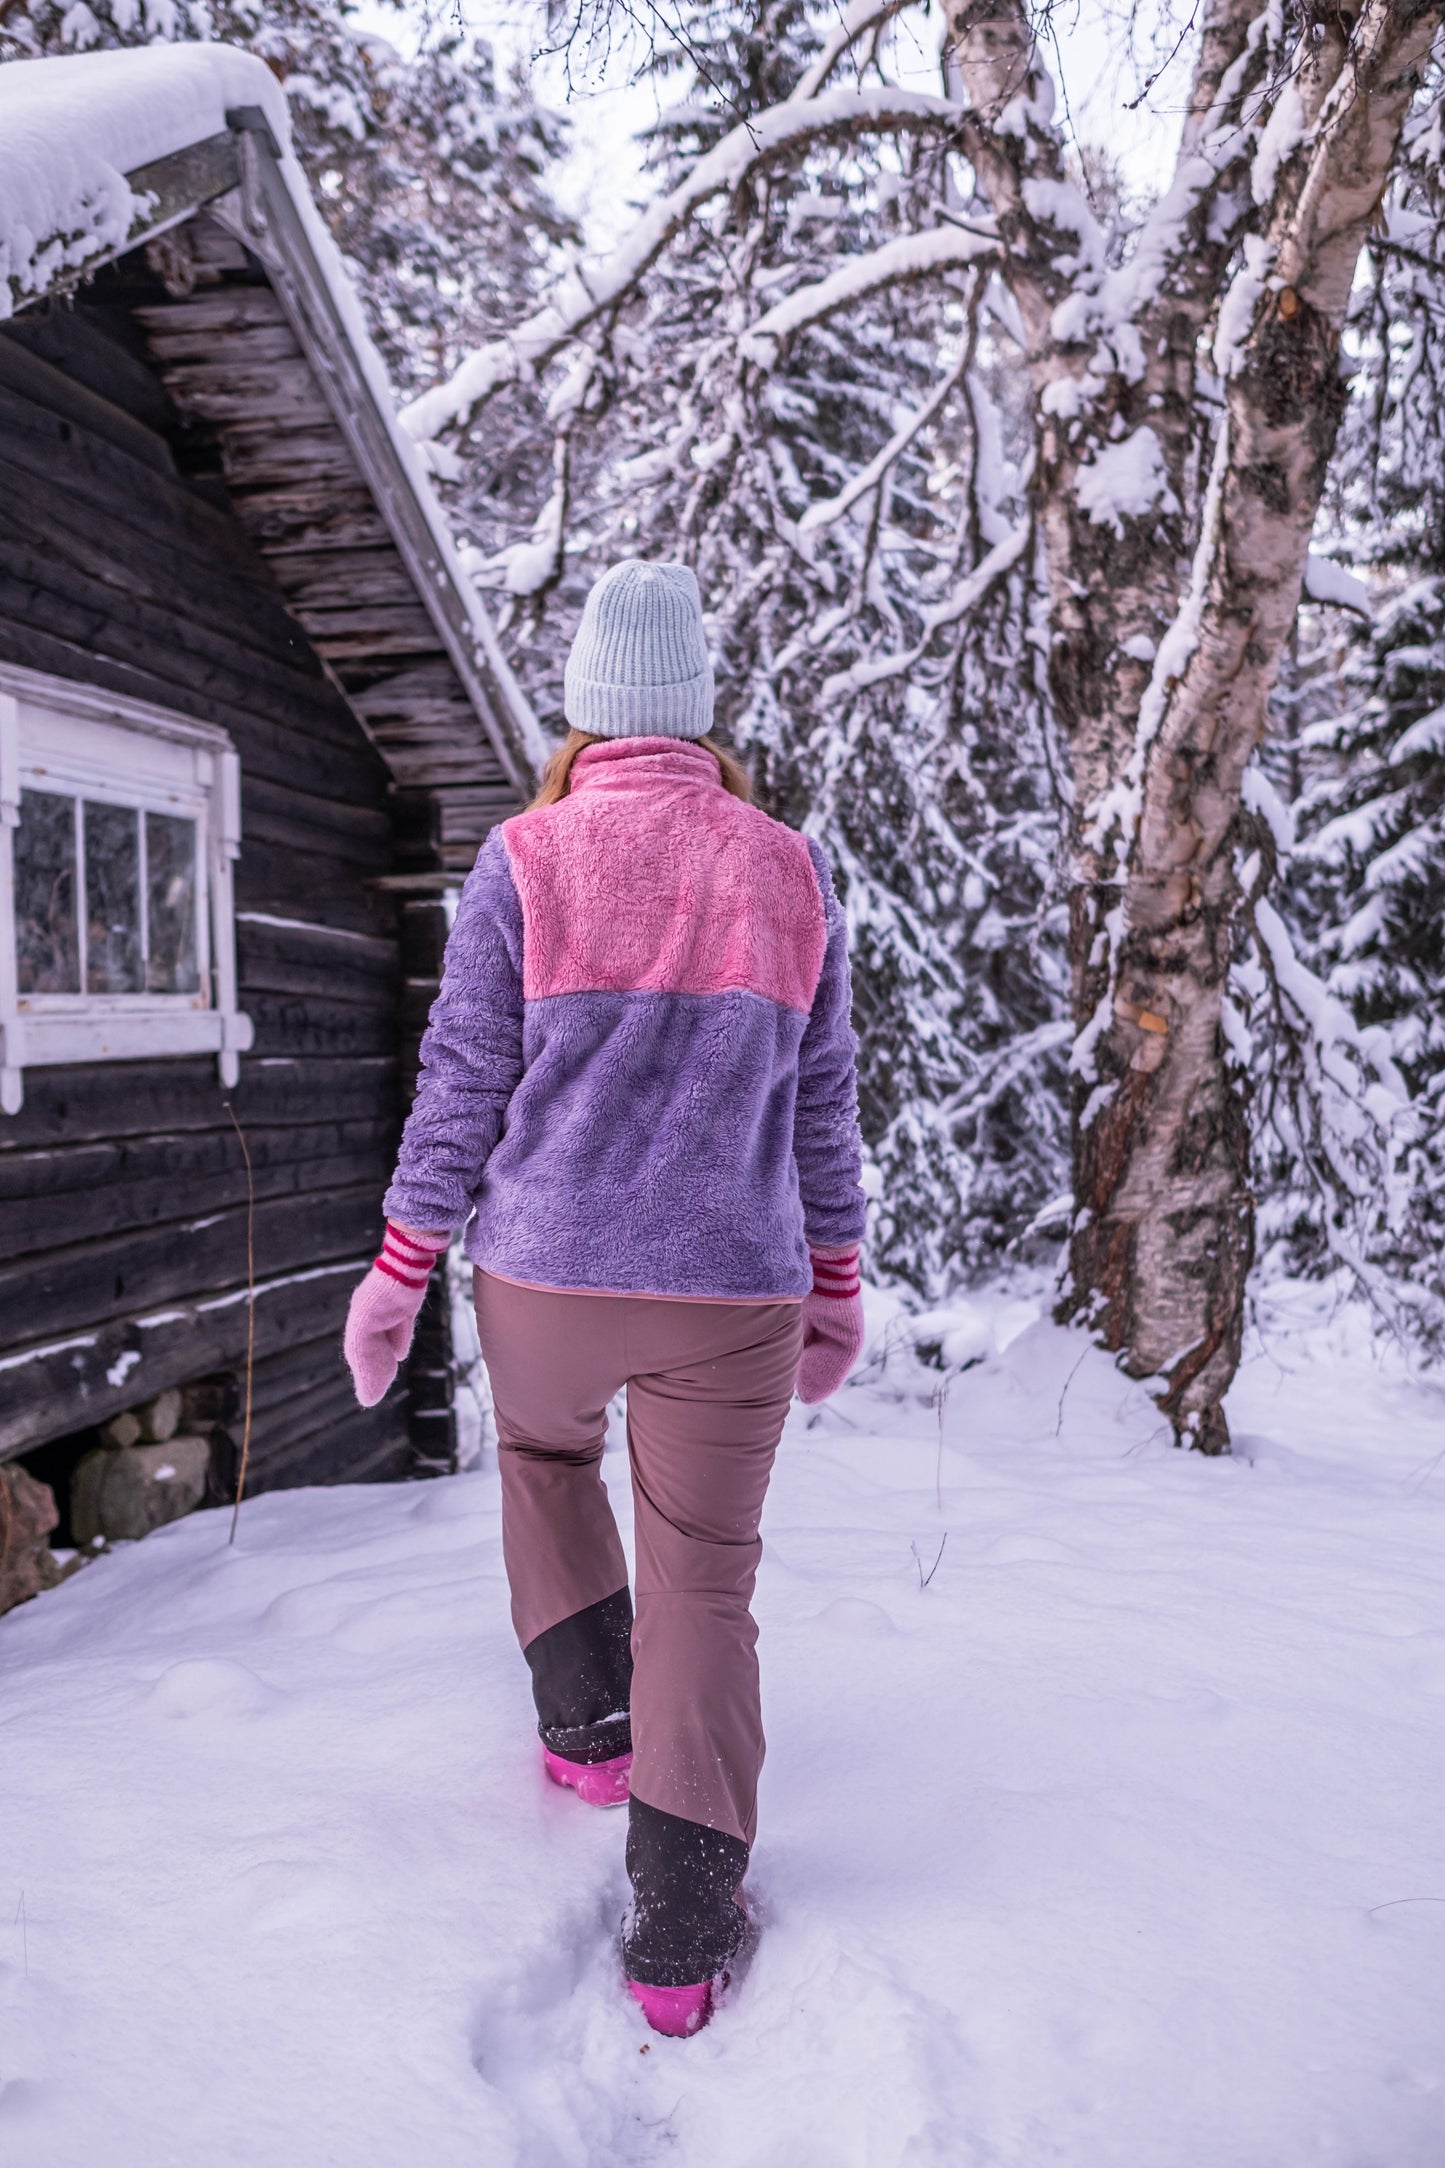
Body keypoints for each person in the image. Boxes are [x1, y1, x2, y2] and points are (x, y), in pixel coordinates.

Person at [343, 559, 866, 2038]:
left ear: (579, 714)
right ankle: (680, 1939)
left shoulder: (523, 858)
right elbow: (819, 1105)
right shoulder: (784, 865)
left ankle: (585, 1741)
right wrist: (834, 1279)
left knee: (545, 1458)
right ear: (695, 717)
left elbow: (461, 1087)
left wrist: (399, 1268)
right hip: (731, 1288)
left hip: (543, 1273)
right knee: (704, 1576)